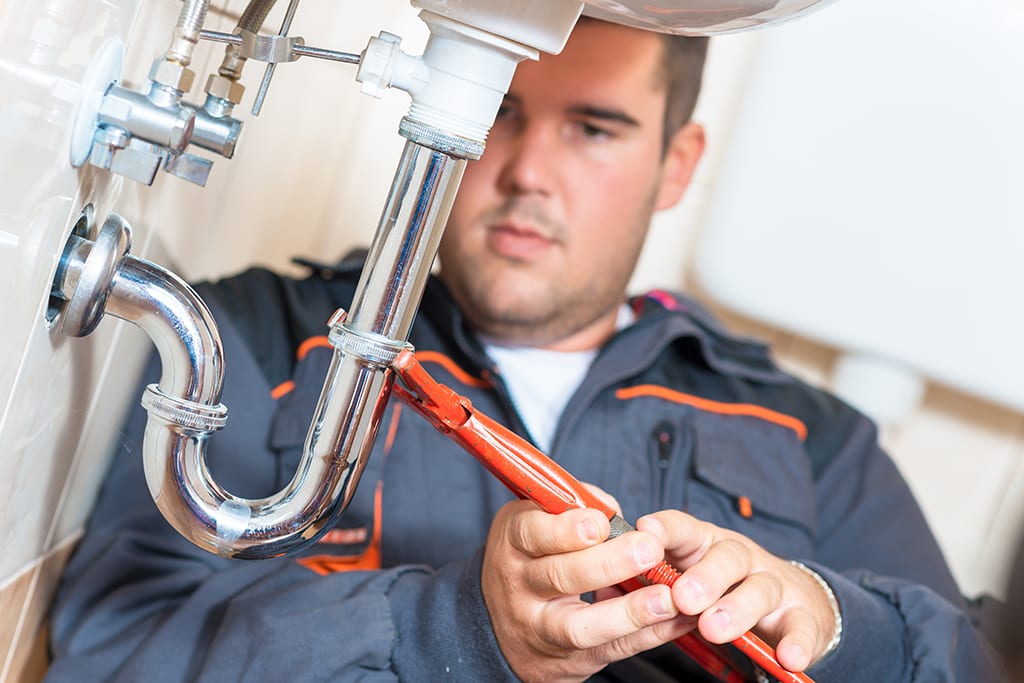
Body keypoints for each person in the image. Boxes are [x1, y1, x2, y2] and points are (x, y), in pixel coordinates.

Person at [46, 18, 1002, 683]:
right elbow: (111, 653)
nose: (529, 171)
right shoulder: (249, 340)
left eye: (594, 128)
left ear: (678, 164)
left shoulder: (810, 435)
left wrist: (837, 626)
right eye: (499, 110)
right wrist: (456, 631)